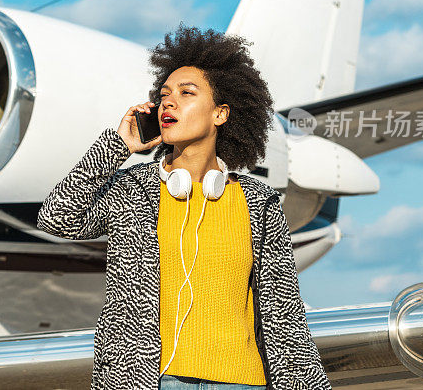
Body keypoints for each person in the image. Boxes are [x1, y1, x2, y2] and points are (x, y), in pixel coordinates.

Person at [37, 24, 332, 390]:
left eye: (186, 92)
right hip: (149, 382)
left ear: (220, 114)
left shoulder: (259, 202)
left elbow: (284, 319)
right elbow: (56, 219)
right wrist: (117, 145)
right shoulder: (132, 191)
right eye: (164, 95)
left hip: (242, 382)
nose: (169, 102)